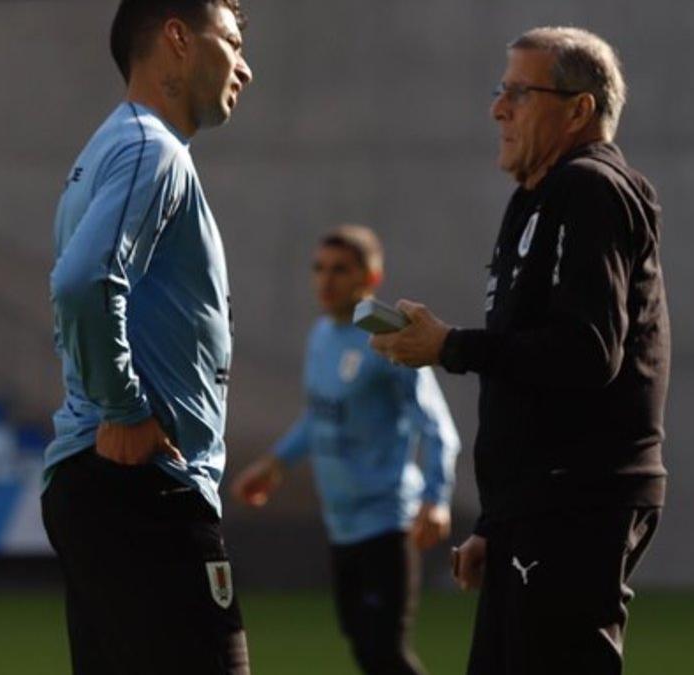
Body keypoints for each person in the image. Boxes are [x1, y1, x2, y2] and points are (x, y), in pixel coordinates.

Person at [370, 26, 670, 674]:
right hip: (536, 507)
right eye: (498, 90)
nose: (497, 107)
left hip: (577, 500)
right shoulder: (534, 198)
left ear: (578, 109)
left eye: (518, 92)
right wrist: (497, 521)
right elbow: (530, 369)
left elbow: (589, 352)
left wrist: (450, 345)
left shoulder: (589, 188)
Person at [40, 1, 253, 673]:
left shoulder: (113, 146)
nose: (245, 67)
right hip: (141, 490)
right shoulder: (149, 147)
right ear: (177, 39)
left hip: (107, 491)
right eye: (233, 42)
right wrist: (124, 408)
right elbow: (83, 281)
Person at [231, 225, 460, 675]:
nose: (326, 279)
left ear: (370, 279)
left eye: (340, 269)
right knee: (363, 650)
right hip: (341, 526)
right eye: (319, 268)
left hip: (386, 523)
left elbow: (438, 427)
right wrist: (275, 464)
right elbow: (320, 416)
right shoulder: (321, 336)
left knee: (385, 654)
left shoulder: (388, 336)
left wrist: (436, 498)